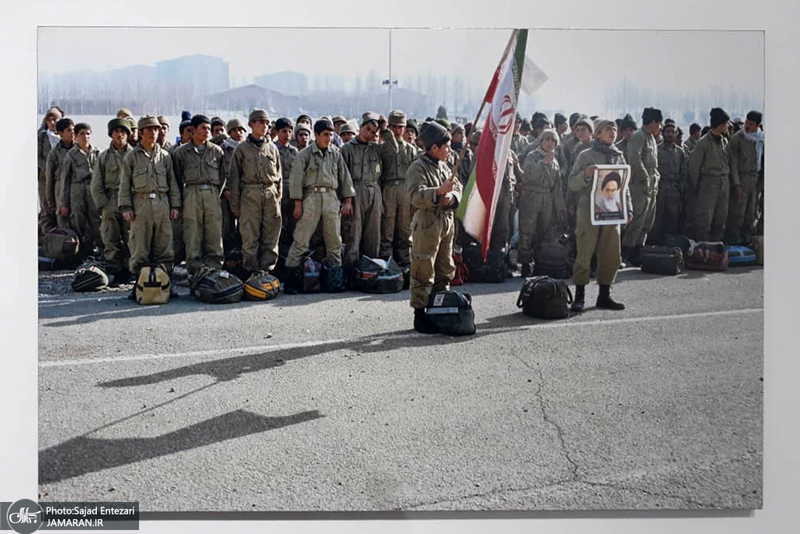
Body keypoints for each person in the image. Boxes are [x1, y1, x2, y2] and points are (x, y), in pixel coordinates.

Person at [568, 119, 632, 313]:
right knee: (584, 253)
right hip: (589, 211)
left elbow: (624, 186)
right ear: (597, 133)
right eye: (607, 129)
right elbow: (572, 183)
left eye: (614, 129)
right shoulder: (586, 155)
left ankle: (604, 295)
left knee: (611, 254)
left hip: (612, 211)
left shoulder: (618, 156)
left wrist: (628, 208)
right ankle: (579, 296)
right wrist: (586, 174)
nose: (612, 132)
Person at [284, 118, 355, 287]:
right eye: (325, 134)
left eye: (331, 135)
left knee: (334, 241)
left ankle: (335, 280)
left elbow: (345, 178)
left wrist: (347, 200)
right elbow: (296, 180)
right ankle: (291, 280)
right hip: (311, 198)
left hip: (331, 198)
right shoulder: (304, 155)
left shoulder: (335, 154)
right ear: (316, 135)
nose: (328, 138)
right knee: (301, 239)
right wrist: (298, 204)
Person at [407, 121, 462, 333]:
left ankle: (439, 307)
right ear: (434, 147)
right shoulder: (418, 167)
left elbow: (457, 187)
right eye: (446, 146)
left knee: (444, 267)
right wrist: (438, 192)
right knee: (423, 267)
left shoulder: (445, 166)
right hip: (427, 223)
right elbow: (415, 195)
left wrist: (452, 196)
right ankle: (420, 313)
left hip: (446, 222)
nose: (449, 150)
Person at [118, 115, 182, 283]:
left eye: (156, 129)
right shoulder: (131, 157)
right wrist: (126, 207)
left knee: (164, 244)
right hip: (141, 203)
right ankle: (140, 282)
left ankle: (164, 280)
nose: (154, 133)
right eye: (149, 130)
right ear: (141, 133)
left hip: (162, 203)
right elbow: (124, 184)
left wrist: (175, 206)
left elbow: (172, 183)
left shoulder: (165, 156)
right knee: (140, 245)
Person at [227, 109, 283, 277]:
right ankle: (250, 272)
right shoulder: (241, 149)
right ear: (251, 124)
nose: (264, 126)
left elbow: (279, 176)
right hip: (250, 194)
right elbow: (234, 179)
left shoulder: (272, 149)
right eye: (260, 122)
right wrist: (235, 206)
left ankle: (267, 271)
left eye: (267, 123)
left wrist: (277, 197)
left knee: (271, 236)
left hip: (270, 194)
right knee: (250, 236)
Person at [171, 115, 226, 278]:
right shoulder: (181, 153)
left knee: (214, 233)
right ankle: (194, 271)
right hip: (191, 194)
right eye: (203, 128)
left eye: (209, 128)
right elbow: (176, 178)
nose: (207, 131)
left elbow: (223, 176)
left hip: (212, 194)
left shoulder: (217, 151)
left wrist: (215, 194)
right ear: (193, 130)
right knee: (193, 233)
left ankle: (214, 269)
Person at [91, 118, 134, 283]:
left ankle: (130, 269)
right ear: (111, 134)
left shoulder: (134, 155)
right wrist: (103, 205)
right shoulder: (104, 157)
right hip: (111, 200)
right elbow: (96, 184)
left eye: (123, 132)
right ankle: (115, 269)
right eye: (116, 131)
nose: (119, 135)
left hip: (129, 200)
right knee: (110, 238)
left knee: (130, 236)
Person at [518, 129, 566, 276]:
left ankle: (541, 263)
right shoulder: (533, 156)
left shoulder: (555, 161)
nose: (550, 143)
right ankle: (525, 263)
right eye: (547, 140)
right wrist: (542, 163)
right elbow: (527, 175)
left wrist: (559, 207)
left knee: (544, 232)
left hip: (547, 198)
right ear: (541, 141)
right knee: (527, 230)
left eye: (553, 141)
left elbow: (557, 186)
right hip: (531, 196)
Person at [341, 111, 383, 266]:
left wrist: (384, 129)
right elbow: (343, 176)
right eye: (368, 130)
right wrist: (347, 200)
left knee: (373, 233)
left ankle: (370, 267)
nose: (369, 134)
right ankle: (351, 267)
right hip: (355, 191)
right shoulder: (347, 149)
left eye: (373, 132)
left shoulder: (377, 149)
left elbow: (391, 150)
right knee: (353, 231)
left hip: (374, 190)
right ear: (360, 127)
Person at [621, 107, 662, 266]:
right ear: (653, 122)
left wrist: (654, 179)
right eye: (658, 123)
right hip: (639, 185)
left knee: (647, 221)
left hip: (652, 184)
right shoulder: (638, 137)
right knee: (636, 221)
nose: (659, 126)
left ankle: (638, 251)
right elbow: (634, 159)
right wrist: (645, 178)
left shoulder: (651, 137)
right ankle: (626, 253)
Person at [378, 111, 417, 267]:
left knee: (405, 228)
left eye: (400, 127)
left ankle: (404, 262)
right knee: (387, 228)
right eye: (393, 126)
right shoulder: (383, 148)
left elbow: (415, 175)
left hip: (405, 190)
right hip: (389, 188)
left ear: (405, 128)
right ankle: (386, 260)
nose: (397, 130)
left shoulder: (411, 149)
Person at [688, 107, 732, 242]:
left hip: (723, 183)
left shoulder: (724, 142)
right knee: (705, 218)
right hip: (708, 184)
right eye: (726, 123)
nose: (728, 126)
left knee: (721, 218)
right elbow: (694, 168)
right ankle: (704, 246)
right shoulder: (703, 143)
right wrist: (697, 186)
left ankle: (716, 245)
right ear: (720, 124)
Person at [59, 122, 101, 260]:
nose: (85, 137)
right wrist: (64, 203)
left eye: (88, 133)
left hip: (92, 188)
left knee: (97, 221)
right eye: (82, 134)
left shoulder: (97, 152)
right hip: (77, 189)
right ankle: (78, 253)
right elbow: (65, 180)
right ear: (76, 136)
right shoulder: (71, 155)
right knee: (78, 221)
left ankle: (100, 252)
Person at [725, 110, 764, 245]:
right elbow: (733, 164)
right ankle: (734, 242)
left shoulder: (761, 139)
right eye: (746, 122)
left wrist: (762, 180)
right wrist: (736, 185)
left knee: (751, 214)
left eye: (751, 124)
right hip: (741, 179)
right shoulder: (737, 139)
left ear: (757, 125)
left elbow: (763, 161)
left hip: (755, 180)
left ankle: (746, 241)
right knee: (737, 214)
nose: (747, 126)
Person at [650, 122, 688, 244]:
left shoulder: (680, 152)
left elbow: (684, 172)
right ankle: (654, 245)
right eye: (667, 131)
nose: (670, 134)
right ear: (663, 133)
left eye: (673, 132)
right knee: (656, 218)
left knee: (672, 218)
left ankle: (670, 244)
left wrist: (681, 189)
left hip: (674, 190)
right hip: (660, 189)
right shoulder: (656, 150)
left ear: (676, 134)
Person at [220, 118, 247, 254]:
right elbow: (220, 172)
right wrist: (226, 191)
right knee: (227, 227)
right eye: (234, 130)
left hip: (246, 194)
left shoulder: (248, 148)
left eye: (241, 130)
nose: (238, 133)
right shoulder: (223, 150)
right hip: (228, 195)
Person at [274, 117, 299, 260]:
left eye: (290, 132)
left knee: (293, 226)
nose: (287, 135)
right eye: (284, 131)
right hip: (277, 193)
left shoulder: (294, 152)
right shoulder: (272, 149)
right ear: (277, 132)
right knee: (277, 226)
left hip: (292, 193)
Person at [45, 118, 75, 229]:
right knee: (63, 225)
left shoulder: (79, 149)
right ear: (60, 133)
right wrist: (51, 202)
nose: (72, 133)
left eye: (73, 130)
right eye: (69, 130)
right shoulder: (54, 154)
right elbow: (49, 179)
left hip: (76, 190)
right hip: (60, 191)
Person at [38, 107, 63, 234]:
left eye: (55, 119)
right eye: (49, 120)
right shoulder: (42, 136)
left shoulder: (67, 135)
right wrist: (47, 168)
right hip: (45, 177)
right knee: (46, 206)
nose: (53, 123)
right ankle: (46, 234)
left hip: (62, 178)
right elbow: (37, 156)